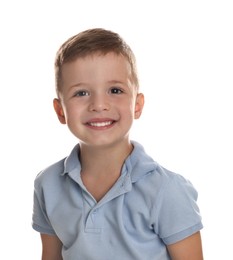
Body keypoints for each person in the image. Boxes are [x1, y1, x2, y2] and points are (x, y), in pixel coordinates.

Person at [32, 28, 204, 260]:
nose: (99, 104)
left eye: (115, 90)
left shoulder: (167, 190)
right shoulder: (48, 184)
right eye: (81, 93)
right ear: (60, 111)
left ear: (137, 105)